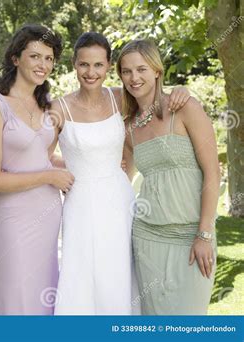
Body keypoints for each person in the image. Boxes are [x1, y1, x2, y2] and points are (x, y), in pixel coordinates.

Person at [51, 32, 190, 315]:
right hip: (80, 205)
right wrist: (61, 174)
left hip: (120, 199)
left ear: (108, 65)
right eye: (84, 65)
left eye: (98, 65)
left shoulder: (120, 99)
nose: (91, 72)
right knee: (83, 274)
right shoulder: (58, 108)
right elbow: (38, 156)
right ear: (74, 65)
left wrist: (182, 90)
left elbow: (153, 104)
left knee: (121, 271)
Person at [0, 24, 74, 315]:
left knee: (43, 296)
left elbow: (42, 158)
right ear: (15, 58)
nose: (43, 64)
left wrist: (85, 167)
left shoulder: (47, 107)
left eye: (48, 58)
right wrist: (49, 177)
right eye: (35, 56)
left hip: (47, 216)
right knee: (15, 296)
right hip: (13, 220)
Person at [119, 39, 220, 315]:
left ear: (157, 71)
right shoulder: (128, 128)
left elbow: (213, 172)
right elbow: (120, 178)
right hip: (147, 238)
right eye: (126, 71)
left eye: (141, 69)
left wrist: (204, 233)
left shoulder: (185, 108)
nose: (134, 77)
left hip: (192, 237)